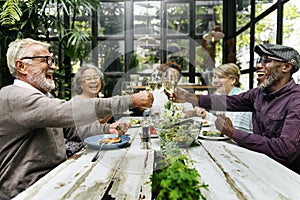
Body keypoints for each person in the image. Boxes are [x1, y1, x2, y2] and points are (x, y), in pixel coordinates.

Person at [0, 38, 153, 199]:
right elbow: (72, 112)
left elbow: (72, 129)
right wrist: (130, 101)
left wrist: (107, 129)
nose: (53, 66)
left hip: (55, 178)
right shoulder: (14, 96)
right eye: (45, 60)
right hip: (26, 191)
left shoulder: (42, 96)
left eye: (52, 60)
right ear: (21, 66)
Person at [169, 43, 300, 174]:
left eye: (267, 61)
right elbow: (230, 101)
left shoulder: (296, 100)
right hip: (260, 164)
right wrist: (188, 97)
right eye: (260, 60)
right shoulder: (258, 93)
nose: (258, 65)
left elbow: (285, 150)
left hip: (287, 176)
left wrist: (232, 132)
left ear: (286, 67)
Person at [64, 64, 131, 157]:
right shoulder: (76, 103)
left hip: (102, 150)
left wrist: (117, 129)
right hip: (80, 155)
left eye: (96, 78)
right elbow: (80, 132)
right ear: (80, 84)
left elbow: (105, 127)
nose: (93, 81)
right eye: (88, 79)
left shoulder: (103, 105)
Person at [195, 63, 252, 132]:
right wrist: (205, 115)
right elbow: (224, 125)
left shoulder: (240, 100)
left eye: (220, 77)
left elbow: (239, 132)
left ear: (233, 80)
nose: (215, 81)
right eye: (215, 77)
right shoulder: (225, 97)